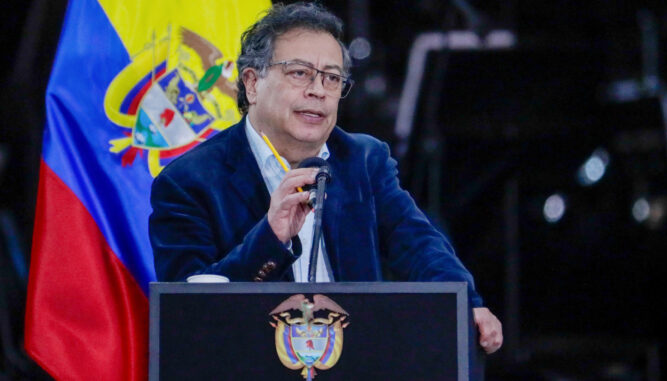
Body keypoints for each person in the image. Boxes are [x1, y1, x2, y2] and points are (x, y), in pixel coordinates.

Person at [149, 2, 502, 354]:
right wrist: (270, 239)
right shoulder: (186, 182)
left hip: (357, 362)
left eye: (332, 78)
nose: (318, 90)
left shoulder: (363, 160)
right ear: (252, 84)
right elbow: (188, 319)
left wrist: (466, 302)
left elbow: (419, 244)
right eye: (300, 73)